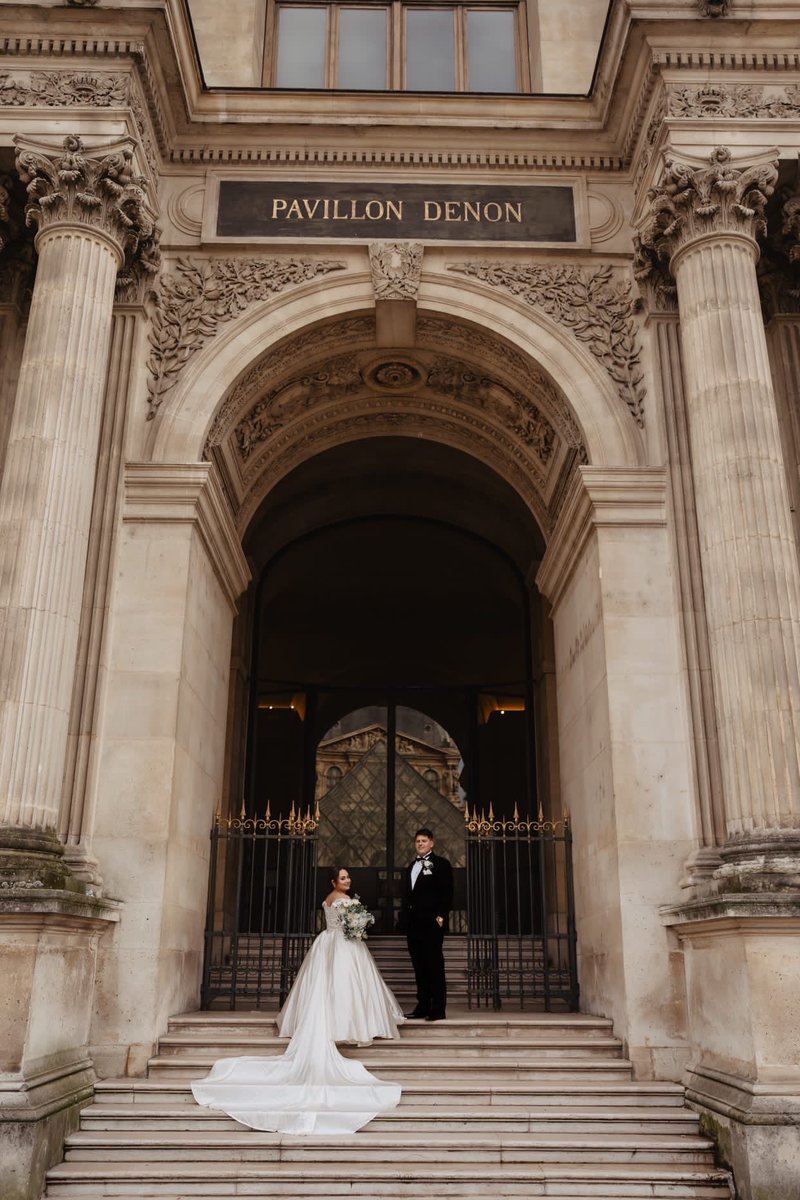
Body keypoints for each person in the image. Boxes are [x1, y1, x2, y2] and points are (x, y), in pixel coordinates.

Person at [191, 867, 404, 1134]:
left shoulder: (327, 899)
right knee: (345, 984)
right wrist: (358, 925)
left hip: (326, 942)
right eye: (343, 878)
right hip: (344, 945)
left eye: (348, 877)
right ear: (334, 881)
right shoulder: (346, 901)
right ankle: (348, 1025)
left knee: (325, 985)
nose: (347, 880)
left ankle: (337, 1022)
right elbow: (352, 927)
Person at [402, 828, 453, 1021]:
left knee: (434, 966)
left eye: (424, 840)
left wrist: (441, 916)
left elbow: (446, 892)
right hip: (413, 926)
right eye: (418, 841)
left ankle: (438, 1008)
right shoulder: (411, 867)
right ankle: (422, 1005)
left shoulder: (441, 864)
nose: (420, 844)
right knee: (419, 967)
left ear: (432, 843)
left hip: (431, 925)